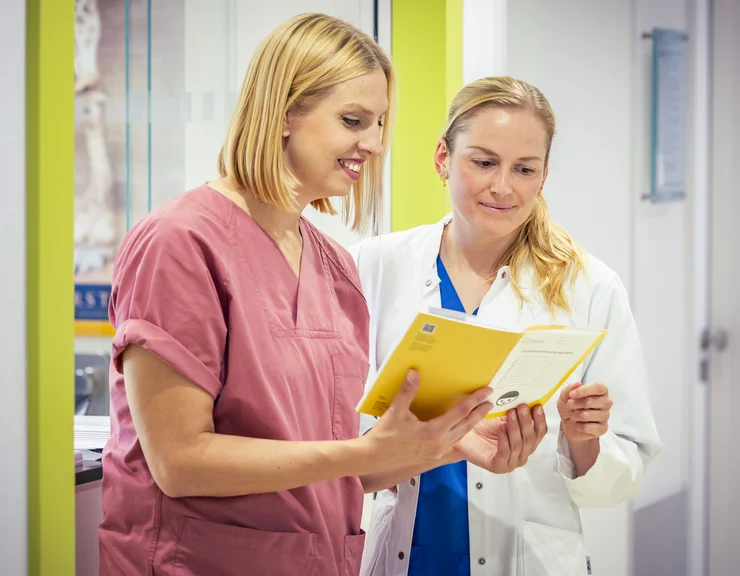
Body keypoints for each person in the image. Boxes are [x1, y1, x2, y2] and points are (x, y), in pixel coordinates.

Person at [97, 14, 494, 576]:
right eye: (353, 120)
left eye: (380, 123)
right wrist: (363, 453)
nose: (376, 144)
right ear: (283, 113)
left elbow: (334, 470)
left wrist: (453, 443)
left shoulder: (334, 266)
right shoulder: (180, 244)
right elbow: (179, 462)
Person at [351, 76, 662, 576]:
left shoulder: (589, 287)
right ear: (441, 159)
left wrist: (585, 441)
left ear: (543, 178)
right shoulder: (375, 266)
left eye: (524, 169)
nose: (503, 186)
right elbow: (337, 426)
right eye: (483, 162)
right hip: (405, 555)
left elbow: (623, 476)